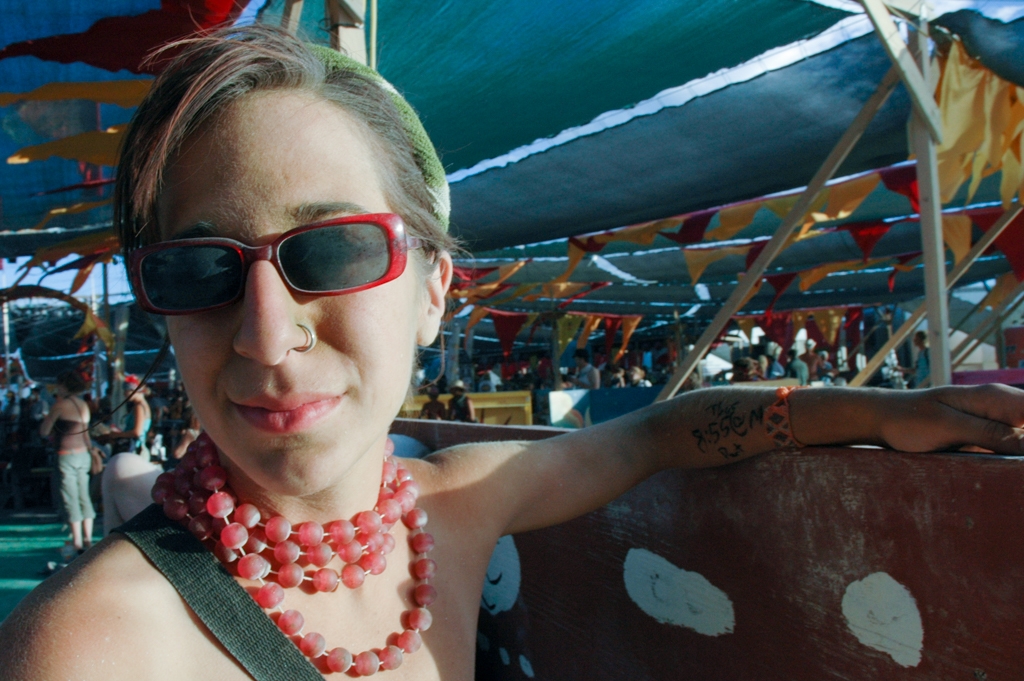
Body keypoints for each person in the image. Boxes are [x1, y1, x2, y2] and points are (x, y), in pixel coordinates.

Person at [3, 27, 1023, 681]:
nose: (268, 334)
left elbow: (657, 435)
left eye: (334, 252)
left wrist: (874, 412)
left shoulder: (455, 507)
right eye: (198, 272)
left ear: (433, 291)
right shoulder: (97, 645)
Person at [38, 371, 96, 554]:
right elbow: (86, 434)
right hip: (84, 454)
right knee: (84, 496)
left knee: (70, 498)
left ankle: (76, 542)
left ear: (64, 386)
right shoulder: (83, 405)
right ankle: (88, 540)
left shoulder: (60, 406)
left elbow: (44, 431)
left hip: (67, 455)